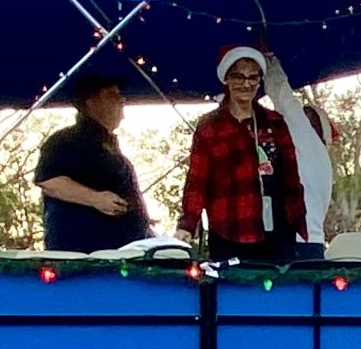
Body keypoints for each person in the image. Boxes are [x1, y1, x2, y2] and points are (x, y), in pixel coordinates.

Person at [178, 45, 307, 264]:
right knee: (232, 293)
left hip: (277, 230)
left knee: (278, 293)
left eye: (253, 78)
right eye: (239, 77)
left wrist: (298, 219)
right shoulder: (209, 126)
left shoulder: (274, 122)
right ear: (226, 80)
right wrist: (187, 225)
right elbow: (197, 181)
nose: (246, 84)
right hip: (228, 228)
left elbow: (291, 176)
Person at [33, 72, 153, 252]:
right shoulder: (65, 140)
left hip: (119, 252)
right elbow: (49, 181)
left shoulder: (108, 146)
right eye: (112, 95)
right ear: (91, 102)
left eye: (121, 96)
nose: (121, 101)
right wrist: (96, 199)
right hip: (84, 254)